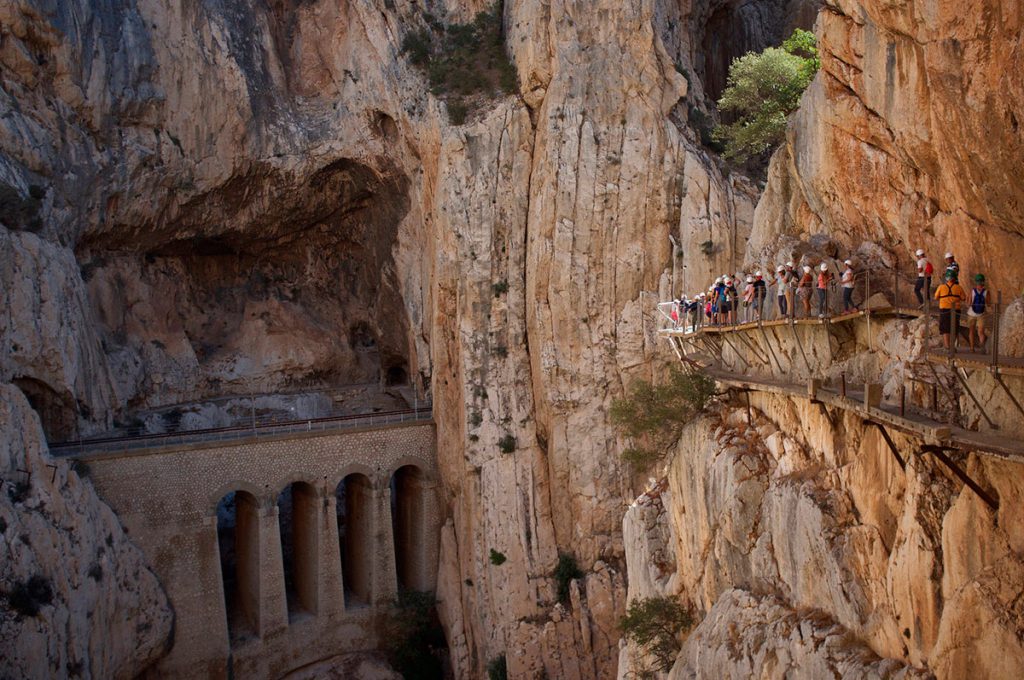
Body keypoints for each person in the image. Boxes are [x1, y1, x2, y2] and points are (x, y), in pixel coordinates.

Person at [934, 271, 966, 350]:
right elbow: (963, 298)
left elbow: (936, 297)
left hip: (944, 309)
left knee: (945, 328)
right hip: (956, 310)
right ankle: (952, 346)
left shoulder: (941, 287)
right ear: (954, 279)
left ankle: (947, 346)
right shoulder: (959, 287)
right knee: (954, 327)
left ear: (946, 279)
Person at [966, 274, 989, 352]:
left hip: (971, 314)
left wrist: (967, 300)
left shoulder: (972, 291)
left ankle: (972, 348)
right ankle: (982, 346)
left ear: (976, 282)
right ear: (983, 281)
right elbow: (988, 304)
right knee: (981, 332)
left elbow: (969, 304)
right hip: (981, 314)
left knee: (971, 331)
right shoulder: (986, 292)